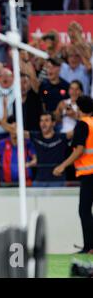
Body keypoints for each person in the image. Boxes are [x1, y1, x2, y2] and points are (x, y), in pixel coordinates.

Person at [53, 96, 93, 254]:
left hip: (89, 173)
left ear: (80, 108)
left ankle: (89, 247)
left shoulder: (82, 125)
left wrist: (62, 166)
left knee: (84, 210)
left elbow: (79, 150)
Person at [0, 117, 37, 186]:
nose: (13, 131)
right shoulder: (2, 143)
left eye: (15, 128)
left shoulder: (27, 143)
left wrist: (28, 164)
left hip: (26, 183)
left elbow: (35, 160)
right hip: (6, 183)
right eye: (11, 128)